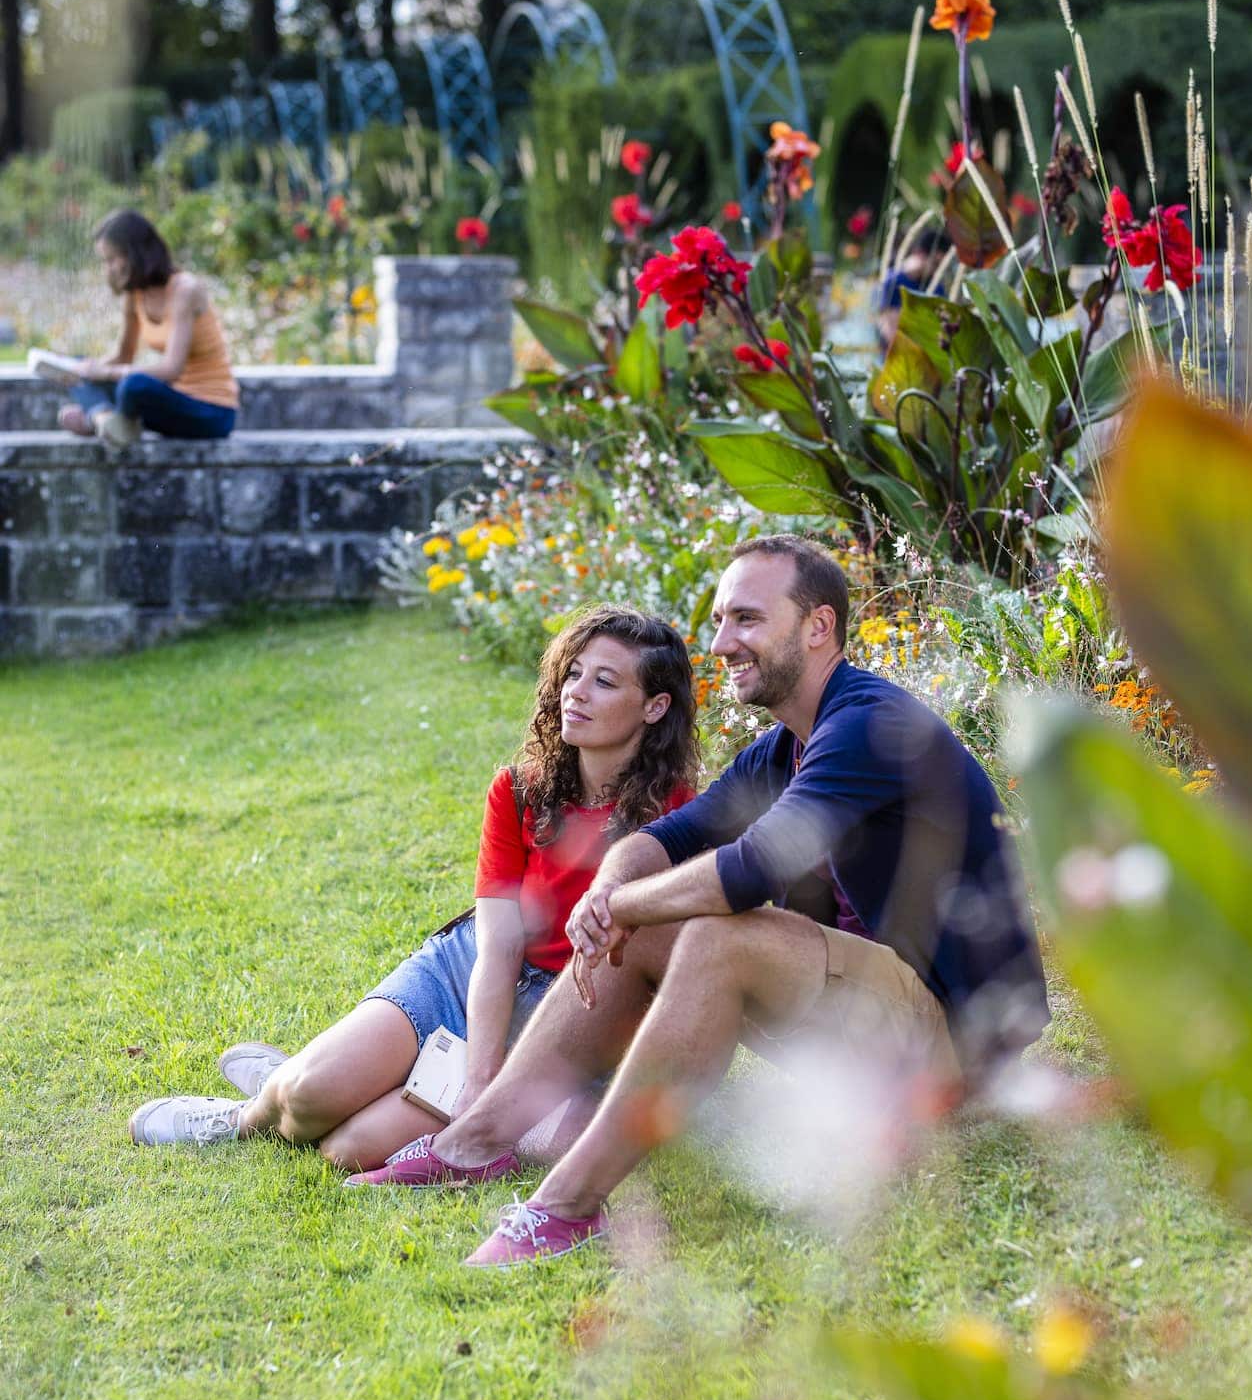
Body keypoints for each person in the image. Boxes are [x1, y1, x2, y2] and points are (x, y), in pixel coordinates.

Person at [382, 535, 1048, 1267]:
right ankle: (472, 1142)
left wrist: (627, 905)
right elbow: (670, 835)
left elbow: (750, 869)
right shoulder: (780, 747)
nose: (722, 642)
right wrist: (610, 890)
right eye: (721, 619)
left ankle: (565, 1208)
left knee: (713, 933)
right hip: (866, 1026)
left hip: (958, 1044)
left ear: (816, 627)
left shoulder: (866, 726)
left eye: (746, 620)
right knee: (658, 925)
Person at [129, 607, 699, 1166]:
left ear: (655, 706)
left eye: (603, 681)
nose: (576, 691)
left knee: (346, 1149)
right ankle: (247, 1115)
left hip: (566, 1013)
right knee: (308, 1098)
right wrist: (479, 1076)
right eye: (572, 673)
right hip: (467, 972)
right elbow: (498, 947)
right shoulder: (520, 790)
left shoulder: (678, 815)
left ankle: (329, 1072)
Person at [40, 209, 238, 449]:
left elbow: (171, 369)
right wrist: (80, 369)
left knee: (134, 386)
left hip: (211, 412)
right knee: (80, 367)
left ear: (134, 254)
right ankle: (104, 419)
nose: (108, 268)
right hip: (172, 400)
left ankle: (100, 419)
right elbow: (123, 356)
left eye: (112, 259)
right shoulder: (135, 294)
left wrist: (102, 373)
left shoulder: (185, 290)